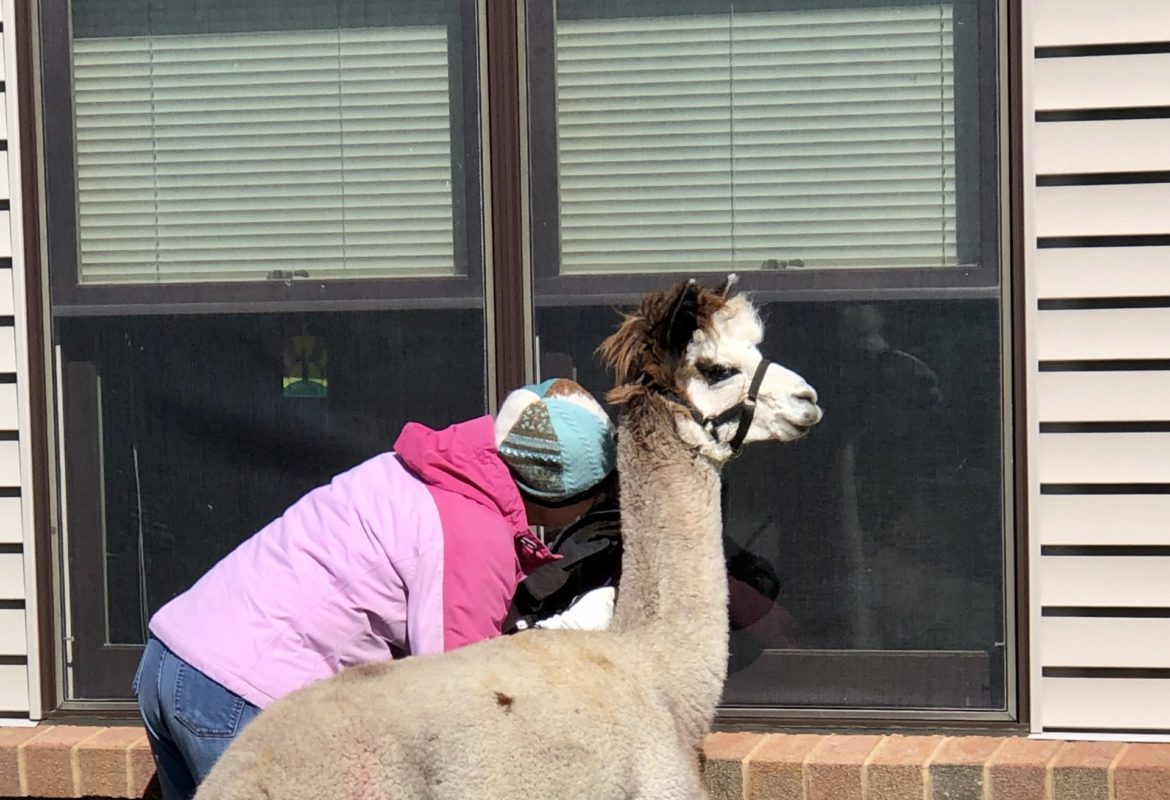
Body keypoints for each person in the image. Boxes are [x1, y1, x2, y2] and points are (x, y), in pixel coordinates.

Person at [133, 378, 616, 800]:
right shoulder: (474, 533)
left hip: (172, 659)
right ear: (558, 493)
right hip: (238, 694)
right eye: (595, 496)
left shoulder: (418, 470)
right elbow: (460, 694)